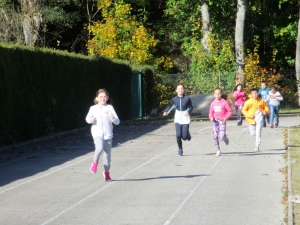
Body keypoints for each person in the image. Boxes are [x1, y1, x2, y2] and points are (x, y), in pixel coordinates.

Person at [86, 89, 120, 181]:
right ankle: (95, 162)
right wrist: (90, 120)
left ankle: (106, 172)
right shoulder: (93, 108)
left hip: (108, 135)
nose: (102, 98)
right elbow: (87, 119)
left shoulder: (110, 108)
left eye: (104, 97)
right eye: (100, 97)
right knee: (99, 148)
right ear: (97, 98)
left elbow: (117, 122)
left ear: (107, 98)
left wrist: (113, 119)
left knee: (107, 156)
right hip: (97, 133)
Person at [163, 84, 193, 156]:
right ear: (176, 90)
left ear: (184, 90)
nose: (180, 90)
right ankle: (180, 150)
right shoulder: (174, 99)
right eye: (179, 89)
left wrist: (188, 112)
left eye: (182, 88)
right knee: (178, 135)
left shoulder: (187, 98)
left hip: (185, 117)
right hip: (178, 117)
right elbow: (170, 106)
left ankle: (188, 135)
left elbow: (191, 107)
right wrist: (166, 112)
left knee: (184, 137)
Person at [208, 88, 233, 156]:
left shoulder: (224, 102)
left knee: (221, 137)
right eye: (216, 94)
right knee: (215, 136)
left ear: (221, 94)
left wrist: (226, 117)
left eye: (219, 93)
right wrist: (211, 117)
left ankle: (224, 138)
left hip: (222, 121)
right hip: (215, 121)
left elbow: (230, 111)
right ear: (214, 95)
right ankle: (218, 150)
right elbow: (210, 112)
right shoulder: (213, 103)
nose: (217, 95)